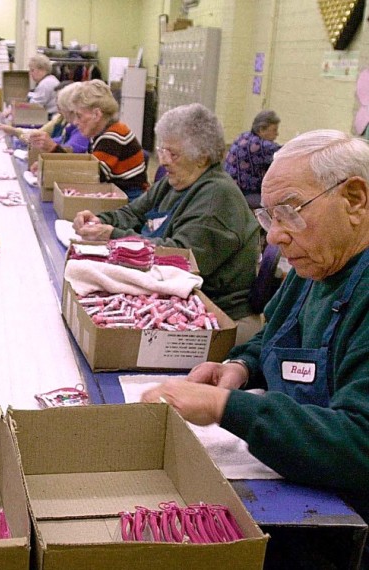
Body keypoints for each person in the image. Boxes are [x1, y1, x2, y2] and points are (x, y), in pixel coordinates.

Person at [142, 129, 369, 535]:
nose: (275, 236)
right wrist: (241, 366)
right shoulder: (318, 263)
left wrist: (226, 407)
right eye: (269, 217)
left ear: (354, 199)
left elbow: (359, 442)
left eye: (290, 211)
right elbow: (278, 333)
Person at [73, 103, 261, 343]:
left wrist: (113, 235)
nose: (164, 161)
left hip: (213, 312)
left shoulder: (216, 198)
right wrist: (100, 220)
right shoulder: (176, 181)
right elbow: (134, 212)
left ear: (202, 158)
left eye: (173, 154)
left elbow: (180, 259)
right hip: (170, 293)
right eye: (162, 150)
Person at [68, 79, 148, 200]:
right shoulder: (98, 134)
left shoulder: (113, 136)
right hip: (117, 193)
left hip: (130, 199)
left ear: (97, 115)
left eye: (79, 116)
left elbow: (93, 176)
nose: (75, 122)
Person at [224, 110, 281, 208]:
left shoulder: (244, 136)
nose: (277, 134)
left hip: (229, 187)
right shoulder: (260, 146)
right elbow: (286, 153)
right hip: (242, 193)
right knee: (276, 205)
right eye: (274, 130)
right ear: (261, 130)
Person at [27, 81, 89, 155]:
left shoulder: (81, 128)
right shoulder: (65, 122)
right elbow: (60, 140)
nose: (57, 104)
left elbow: (70, 154)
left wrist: (52, 146)